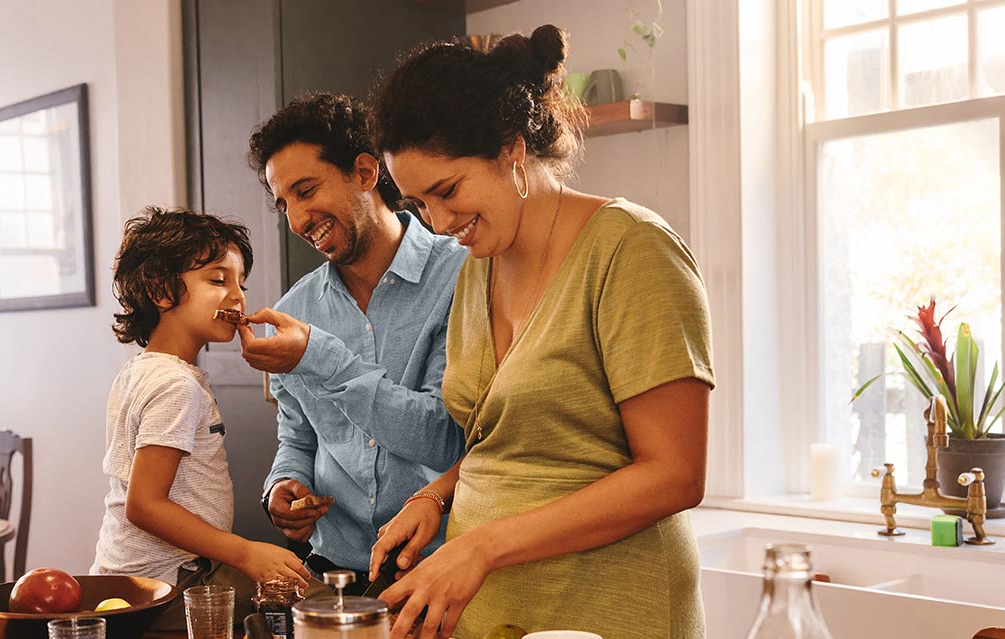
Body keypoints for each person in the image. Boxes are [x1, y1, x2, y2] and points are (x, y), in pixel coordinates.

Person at [365, 25, 715, 639]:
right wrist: (436, 498)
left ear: (512, 147)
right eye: (420, 205)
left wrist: (482, 548)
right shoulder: (480, 266)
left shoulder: (632, 251)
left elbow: (675, 473)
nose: (440, 222)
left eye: (447, 191)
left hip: (608, 611)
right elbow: (512, 440)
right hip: (493, 615)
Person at [237, 93, 466, 590]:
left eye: (306, 190)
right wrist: (281, 488)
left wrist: (319, 358)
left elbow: (444, 441)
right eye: (284, 204)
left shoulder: (462, 275)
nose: (297, 221)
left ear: (365, 172)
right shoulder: (295, 309)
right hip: (333, 574)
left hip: (440, 573)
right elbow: (298, 437)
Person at [92, 206, 316, 631]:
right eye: (217, 280)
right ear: (161, 291)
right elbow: (144, 505)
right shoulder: (176, 385)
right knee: (315, 606)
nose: (238, 296)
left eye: (240, 283)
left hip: (140, 575)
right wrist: (246, 552)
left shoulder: (143, 369)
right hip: (173, 581)